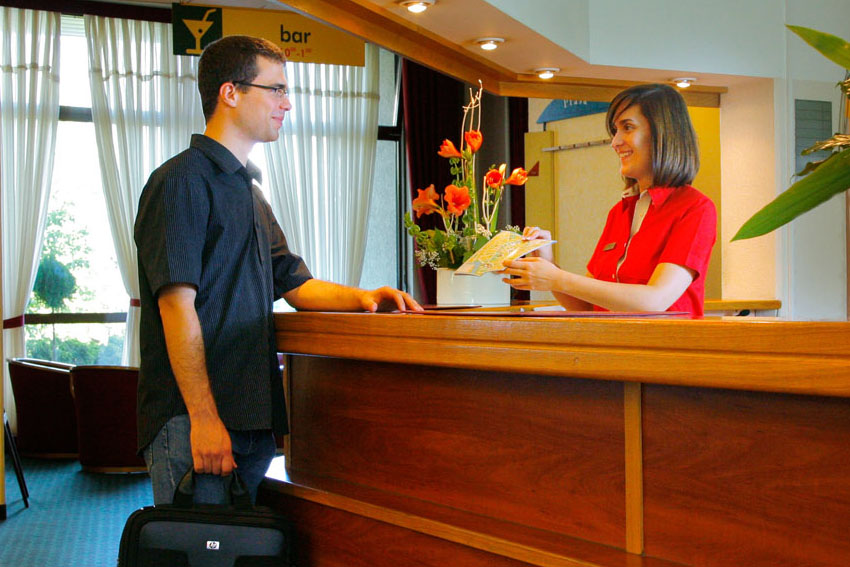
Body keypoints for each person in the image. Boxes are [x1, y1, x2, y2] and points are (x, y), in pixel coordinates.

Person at [134, 35, 421, 506]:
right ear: (230, 93)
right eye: (277, 90)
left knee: (242, 543)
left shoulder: (248, 191)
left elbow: (296, 284)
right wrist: (204, 418)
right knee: (194, 543)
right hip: (195, 420)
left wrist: (366, 297)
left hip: (250, 418)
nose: (286, 104)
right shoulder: (181, 180)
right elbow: (176, 308)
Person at [502, 83, 716, 317]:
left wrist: (556, 278)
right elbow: (587, 307)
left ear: (663, 134)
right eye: (615, 131)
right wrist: (549, 264)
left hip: (664, 342)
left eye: (628, 127)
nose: (615, 142)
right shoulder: (620, 212)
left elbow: (654, 301)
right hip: (610, 340)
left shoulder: (695, 208)